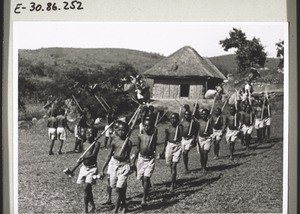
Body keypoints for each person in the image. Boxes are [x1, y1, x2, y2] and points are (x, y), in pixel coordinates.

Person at [100, 121, 132, 213]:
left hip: (124, 165)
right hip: (114, 164)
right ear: (117, 130)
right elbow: (109, 155)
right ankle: (125, 206)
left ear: (127, 131)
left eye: (124, 130)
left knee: (119, 188)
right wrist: (102, 169)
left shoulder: (128, 142)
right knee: (113, 187)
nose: (122, 132)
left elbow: (127, 155)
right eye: (120, 130)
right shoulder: (114, 141)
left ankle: (116, 209)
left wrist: (130, 166)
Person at [132, 119, 158, 205]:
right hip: (141, 159)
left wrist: (152, 144)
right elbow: (138, 149)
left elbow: (153, 148)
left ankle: (144, 198)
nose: (147, 127)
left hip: (150, 159)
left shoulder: (153, 136)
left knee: (146, 178)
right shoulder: (140, 136)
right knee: (142, 178)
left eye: (149, 126)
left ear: (151, 127)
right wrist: (133, 161)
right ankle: (147, 191)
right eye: (145, 125)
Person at [77, 127, 100, 213]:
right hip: (84, 168)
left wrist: (82, 157)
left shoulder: (96, 144)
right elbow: (82, 154)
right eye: (87, 133)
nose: (88, 135)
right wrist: (81, 160)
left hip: (92, 168)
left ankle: (85, 209)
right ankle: (93, 205)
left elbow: (93, 155)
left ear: (95, 135)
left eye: (91, 133)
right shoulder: (83, 143)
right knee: (88, 189)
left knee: (87, 187)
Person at [160, 113, 183, 191]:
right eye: (172, 119)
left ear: (177, 120)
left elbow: (183, 133)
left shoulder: (180, 127)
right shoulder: (168, 128)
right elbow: (166, 139)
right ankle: (174, 179)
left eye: (175, 119)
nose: (173, 120)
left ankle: (172, 184)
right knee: (169, 165)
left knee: (174, 166)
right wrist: (164, 150)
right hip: (169, 146)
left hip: (178, 146)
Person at [101, 121, 119, 206]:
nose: (116, 130)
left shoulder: (124, 138)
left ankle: (121, 198)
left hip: (120, 161)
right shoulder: (112, 136)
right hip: (112, 159)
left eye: (118, 128)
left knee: (120, 181)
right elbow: (110, 150)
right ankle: (109, 198)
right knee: (109, 178)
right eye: (115, 128)